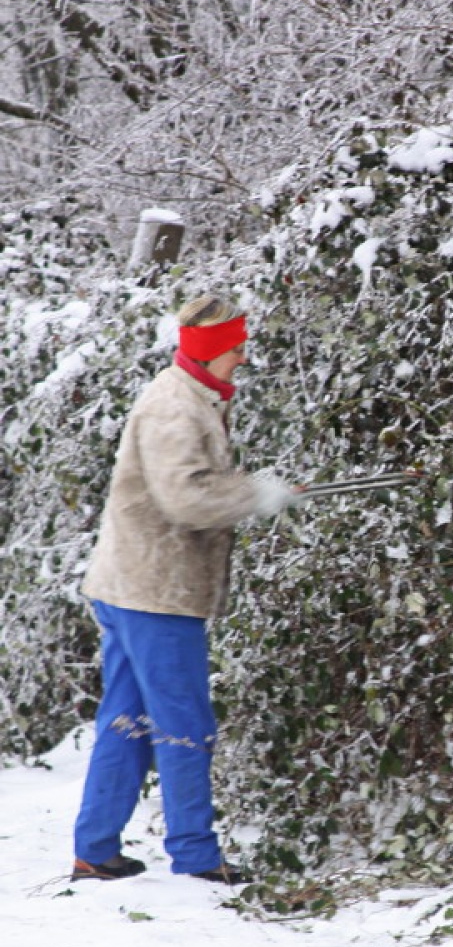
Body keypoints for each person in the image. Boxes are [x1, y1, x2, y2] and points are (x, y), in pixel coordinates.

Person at [72, 294, 298, 885]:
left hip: (131, 586)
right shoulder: (176, 407)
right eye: (237, 348)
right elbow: (187, 497)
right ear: (211, 350)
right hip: (156, 594)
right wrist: (255, 493)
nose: (244, 357)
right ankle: (196, 858)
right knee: (184, 725)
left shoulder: (192, 395)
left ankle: (95, 849)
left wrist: (256, 490)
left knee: (128, 720)